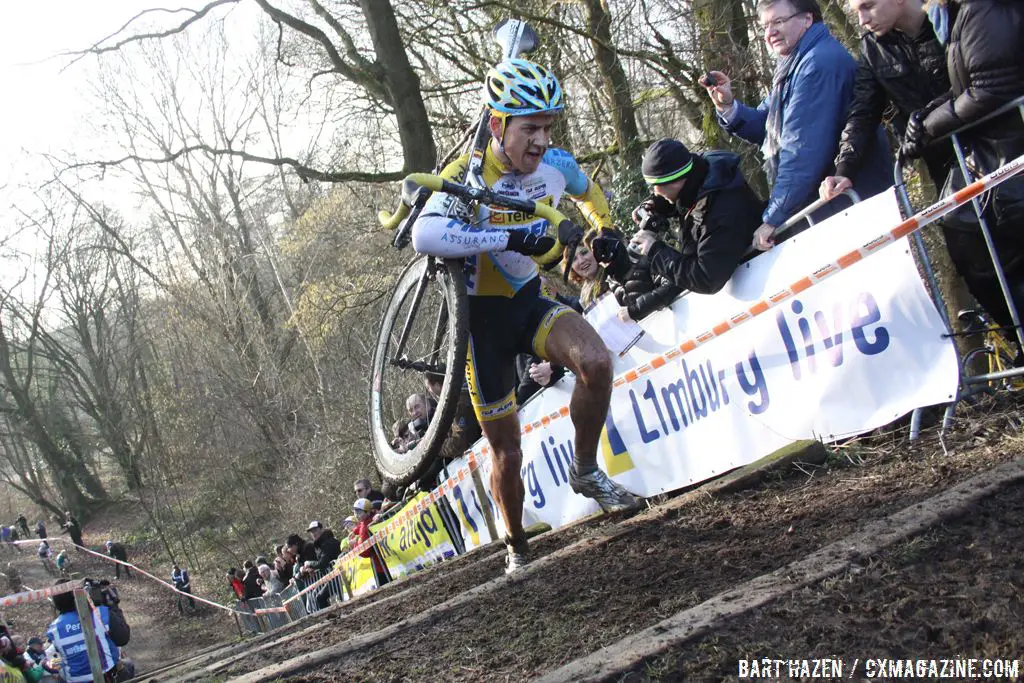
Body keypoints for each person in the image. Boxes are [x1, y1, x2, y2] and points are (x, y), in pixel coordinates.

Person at [411, 57, 641, 572]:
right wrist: (507, 235)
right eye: (529, 128)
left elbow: (590, 193)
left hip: (528, 304)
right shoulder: (467, 176)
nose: (540, 140)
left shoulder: (556, 165)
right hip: (481, 329)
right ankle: (516, 544)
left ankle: (586, 473)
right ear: (497, 126)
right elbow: (423, 235)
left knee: (597, 363)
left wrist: (604, 228)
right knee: (507, 453)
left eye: (547, 127)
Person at [706, 0, 891, 251]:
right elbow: (769, 128)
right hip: (831, 206)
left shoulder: (817, 63)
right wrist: (728, 106)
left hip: (847, 205)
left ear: (807, 19)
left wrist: (773, 217)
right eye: (765, 25)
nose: (770, 32)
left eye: (778, 22)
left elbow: (801, 150)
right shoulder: (794, 63)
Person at [903, 0, 1024, 332]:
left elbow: (990, 88)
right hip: (999, 155)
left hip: (1009, 154)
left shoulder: (985, 9)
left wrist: (929, 127)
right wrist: (925, 114)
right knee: (969, 242)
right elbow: (968, 86)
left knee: (979, 247)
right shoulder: (963, 11)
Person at [821, 0, 952, 200]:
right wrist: (844, 170)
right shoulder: (873, 47)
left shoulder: (953, 16)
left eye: (868, 6)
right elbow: (863, 111)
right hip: (943, 163)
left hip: (998, 141)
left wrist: (927, 120)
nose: (862, 20)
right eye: (857, 11)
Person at [617, 140, 765, 296]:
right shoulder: (701, 172)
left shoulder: (722, 212)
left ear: (676, 181)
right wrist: (657, 205)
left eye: (656, 185)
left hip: (757, 285)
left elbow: (707, 278)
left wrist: (656, 251)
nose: (655, 191)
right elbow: (688, 199)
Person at [46, 579, 131, 683]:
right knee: (128, 665)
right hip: (108, 676)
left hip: (74, 679)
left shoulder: (53, 629)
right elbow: (123, 639)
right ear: (79, 595)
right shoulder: (99, 613)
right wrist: (113, 606)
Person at [299, 521, 342, 610]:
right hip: (333, 575)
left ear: (322, 529)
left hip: (338, 574)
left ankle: (330, 618)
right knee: (318, 596)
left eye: (315, 530)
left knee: (320, 597)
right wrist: (312, 568)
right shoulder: (321, 544)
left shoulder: (327, 543)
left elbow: (322, 563)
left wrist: (309, 563)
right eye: (311, 532)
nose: (313, 533)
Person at [348, 499, 389, 588]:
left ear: (367, 512)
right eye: (355, 512)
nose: (356, 515)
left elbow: (364, 551)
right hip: (385, 561)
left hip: (380, 566)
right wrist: (355, 530)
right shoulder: (370, 519)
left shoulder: (365, 527)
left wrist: (354, 545)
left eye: (359, 512)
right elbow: (363, 524)